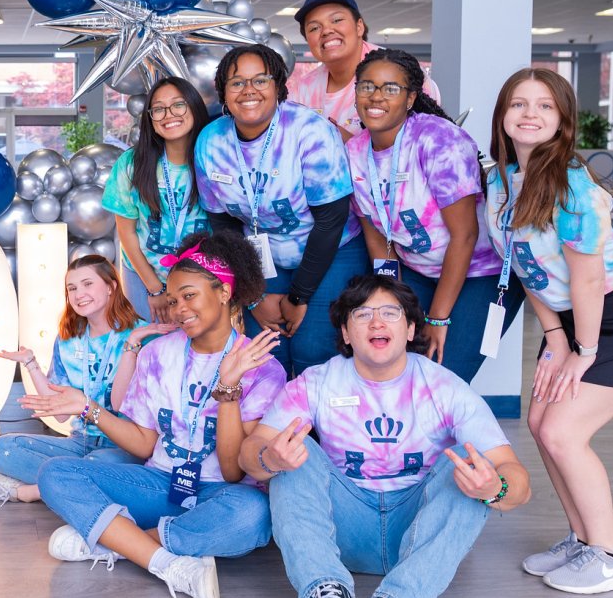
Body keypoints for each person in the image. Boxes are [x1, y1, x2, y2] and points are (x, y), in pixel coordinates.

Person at [239, 275, 531, 598]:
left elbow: (518, 483)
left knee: (466, 461)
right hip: (342, 530)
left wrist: (494, 488)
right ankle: (329, 595)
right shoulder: (318, 382)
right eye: (363, 314)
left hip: (417, 530)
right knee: (292, 450)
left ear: (410, 329)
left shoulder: (446, 387)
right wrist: (271, 459)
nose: (377, 323)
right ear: (346, 331)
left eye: (390, 313)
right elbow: (247, 455)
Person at [485, 68, 613, 595]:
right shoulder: (500, 180)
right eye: (519, 104)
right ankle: (583, 540)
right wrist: (553, 337)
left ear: (563, 120)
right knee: (541, 421)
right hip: (576, 318)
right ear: (502, 115)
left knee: (564, 432)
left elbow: (588, 277)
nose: (530, 114)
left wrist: (583, 351)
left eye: (545, 106)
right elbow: (524, 268)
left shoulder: (570, 185)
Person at [29, 231, 285, 598]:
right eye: (173, 298)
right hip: (161, 482)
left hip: (221, 493)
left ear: (224, 293)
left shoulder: (263, 369)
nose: (178, 308)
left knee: (254, 515)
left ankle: (119, 543)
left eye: (189, 296)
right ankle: (170, 563)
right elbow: (145, 443)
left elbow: (232, 471)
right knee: (56, 473)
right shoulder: (157, 353)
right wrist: (87, 407)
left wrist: (229, 387)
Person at [345, 48, 518, 381]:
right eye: (366, 86)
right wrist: (392, 302)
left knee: (444, 373)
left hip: (481, 271)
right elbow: (375, 231)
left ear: (411, 98)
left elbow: (464, 235)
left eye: (390, 88)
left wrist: (437, 319)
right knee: (399, 367)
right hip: (419, 270)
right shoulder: (354, 152)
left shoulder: (439, 141)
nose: (376, 96)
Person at [194, 43, 368, 376]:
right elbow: (222, 223)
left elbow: (330, 221)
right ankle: (271, 428)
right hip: (259, 255)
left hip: (330, 248)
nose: (249, 90)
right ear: (223, 92)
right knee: (265, 352)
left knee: (313, 350)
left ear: (278, 86)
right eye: (236, 82)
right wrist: (255, 295)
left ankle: (314, 429)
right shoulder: (210, 142)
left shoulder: (311, 131)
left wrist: (297, 297)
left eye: (260, 80)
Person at [0, 254, 151, 504]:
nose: (79, 294)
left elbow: (126, 408)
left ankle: (31, 491)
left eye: (88, 284)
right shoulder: (68, 340)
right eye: (72, 288)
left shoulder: (141, 336)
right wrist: (30, 362)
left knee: (99, 464)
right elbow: (59, 414)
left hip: (123, 448)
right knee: (5, 448)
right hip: (80, 442)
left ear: (111, 287)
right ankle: (75, 483)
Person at [102, 76, 210, 321]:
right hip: (144, 276)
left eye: (178, 105)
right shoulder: (131, 164)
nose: (168, 114)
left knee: (199, 352)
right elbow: (126, 233)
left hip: (202, 278)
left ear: (194, 106)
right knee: (151, 350)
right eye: (158, 109)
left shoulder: (213, 158)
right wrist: (155, 288)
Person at [287, 0, 440, 140]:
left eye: (337, 20)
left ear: (359, 27)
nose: (326, 31)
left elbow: (429, 138)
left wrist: (348, 144)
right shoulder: (302, 90)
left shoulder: (399, 71)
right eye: (314, 28)